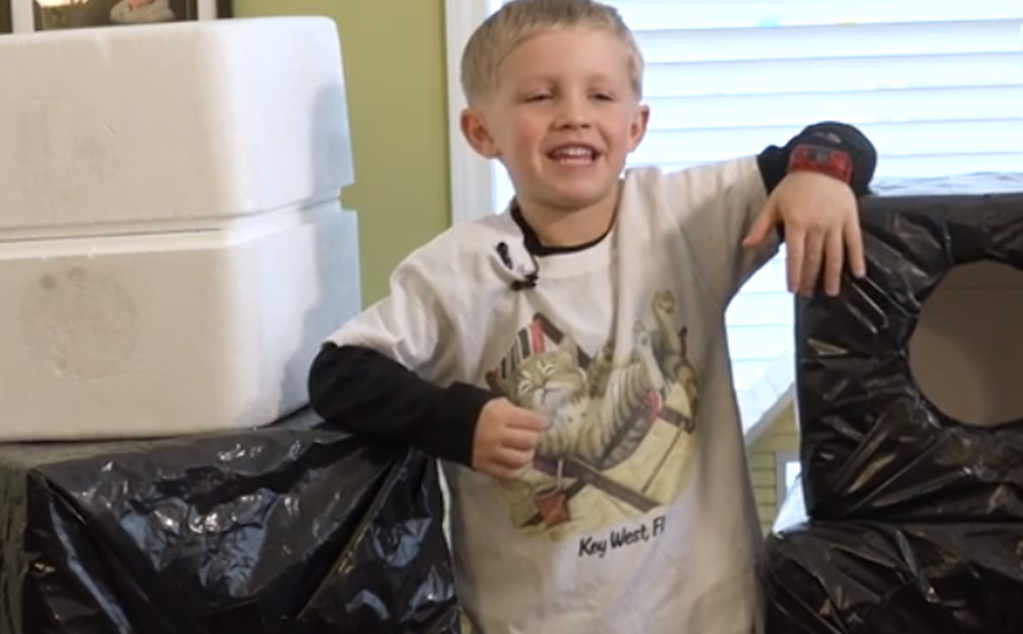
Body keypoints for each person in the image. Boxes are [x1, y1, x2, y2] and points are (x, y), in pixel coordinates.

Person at [309, 0, 876, 631]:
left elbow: (836, 141)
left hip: (709, 614)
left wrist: (818, 176)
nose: (574, 115)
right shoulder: (456, 273)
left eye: (601, 95)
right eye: (540, 97)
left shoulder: (681, 218)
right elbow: (339, 374)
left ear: (635, 127)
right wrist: (458, 421)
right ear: (481, 132)